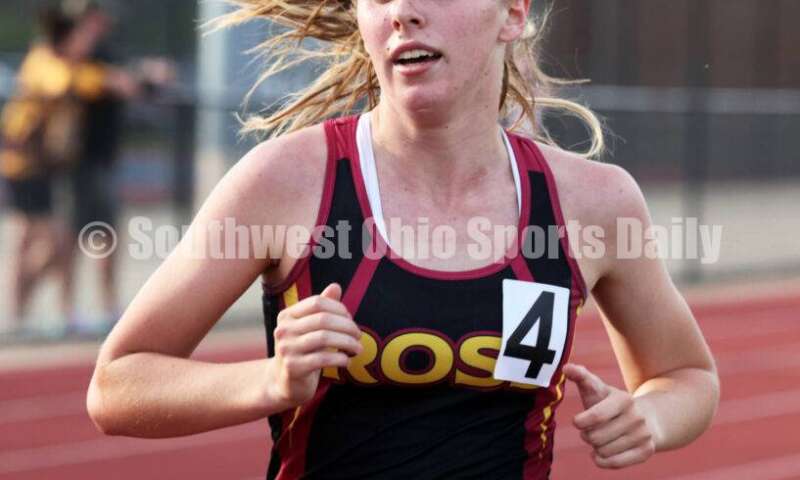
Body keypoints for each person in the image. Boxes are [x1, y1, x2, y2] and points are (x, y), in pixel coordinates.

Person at [87, 1, 719, 478]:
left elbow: (686, 375)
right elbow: (117, 386)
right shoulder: (284, 182)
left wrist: (650, 419)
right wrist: (270, 382)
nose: (402, 13)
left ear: (513, 13)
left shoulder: (595, 203)